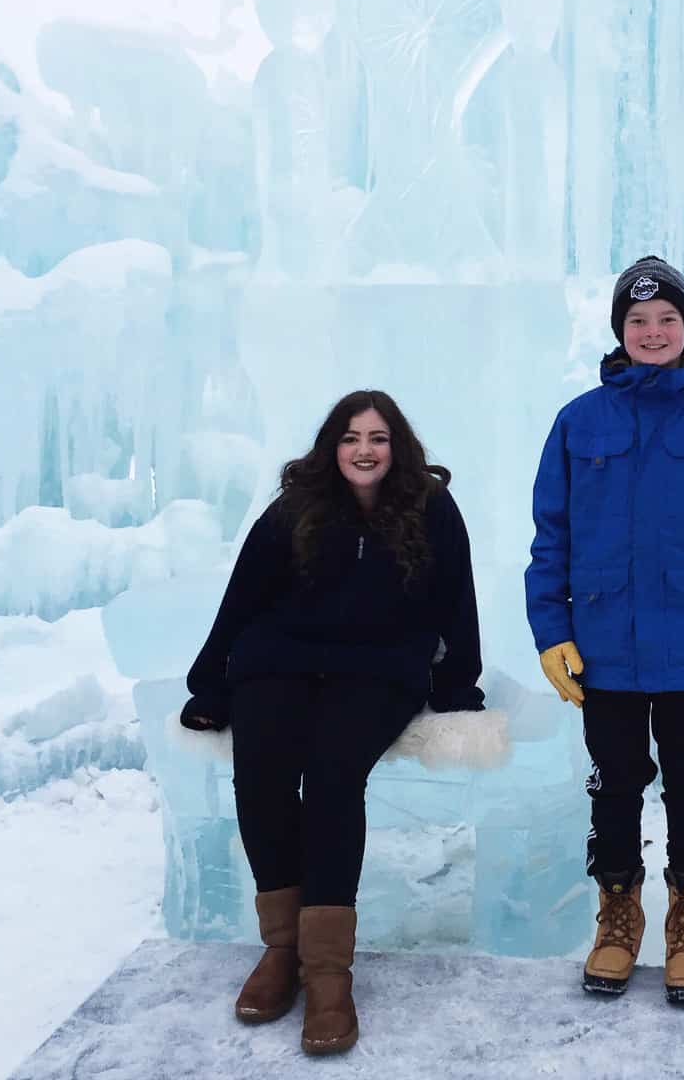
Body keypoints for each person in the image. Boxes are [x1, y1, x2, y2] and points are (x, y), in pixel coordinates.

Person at [180, 389, 484, 1053]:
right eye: (350, 438)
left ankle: (326, 972)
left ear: (397, 445)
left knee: (333, 775)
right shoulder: (295, 508)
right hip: (280, 659)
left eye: (377, 437)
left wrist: (459, 679)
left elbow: (457, 598)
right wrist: (210, 687)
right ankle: (281, 951)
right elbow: (243, 600)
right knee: (259, 772)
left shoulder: (431, 508)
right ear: (331, 446)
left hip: (380, 668)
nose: (364, 450)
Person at [526, 255, 684, 1003]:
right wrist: (550, 631)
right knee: (614, 785)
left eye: (668, 319)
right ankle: (618, 912)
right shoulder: (579, 422)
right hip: (603, 648)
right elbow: (552, 538)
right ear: (619, 331)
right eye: (638, 321)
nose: (653, 331)